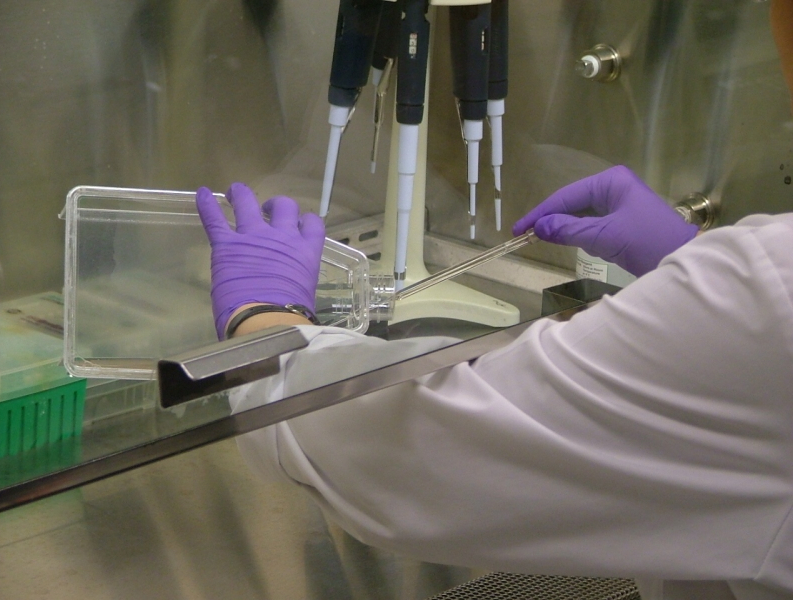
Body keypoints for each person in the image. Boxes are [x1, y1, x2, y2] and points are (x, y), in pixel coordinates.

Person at [195, 3, 793, 599]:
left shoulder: (768, 293)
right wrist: (692, 267)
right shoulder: (765, 287)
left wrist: (265, 323)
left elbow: (402, 453)